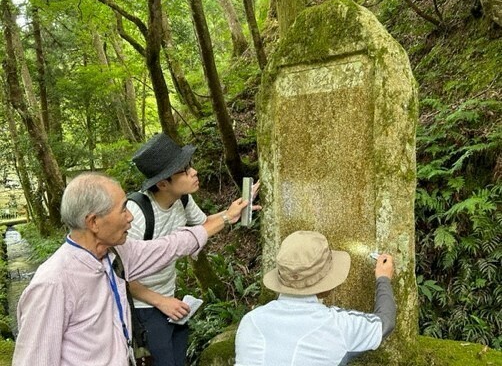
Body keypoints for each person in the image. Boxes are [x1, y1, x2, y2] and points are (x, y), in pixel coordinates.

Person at [12, 172, 249, 366]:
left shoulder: (115, 254)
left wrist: (227, 217)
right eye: (123, 209)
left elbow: (171, 246)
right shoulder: (53, 283)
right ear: (93, 222)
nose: (130, 218)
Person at [126, 133, 259, 366]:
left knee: (179, 358)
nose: (194, 172)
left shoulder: (182, 199)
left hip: (169, 299)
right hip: (144, 307)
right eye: (184, 170)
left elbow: (204, 224)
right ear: (162, 183)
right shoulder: (136, 214)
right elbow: (122, 272)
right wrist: (160, 301)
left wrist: (235, 209)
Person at [235, 230, 396, 366]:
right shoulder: (337, 325)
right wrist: (383, 278)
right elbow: (385, 323)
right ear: (325, 283)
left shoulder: (250, 322)